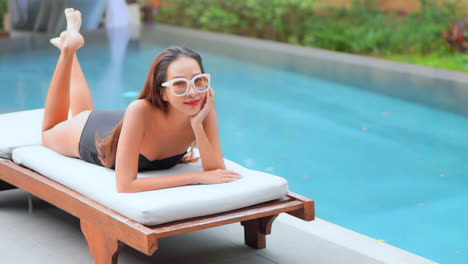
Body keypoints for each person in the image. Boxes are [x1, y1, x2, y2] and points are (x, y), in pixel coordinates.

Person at [42, 8, 242, 193]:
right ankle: (68, 50)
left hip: (125, 126)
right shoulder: (139, 109)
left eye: (199, 80)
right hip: (89, 134)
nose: (192, 92)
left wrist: (197, 126)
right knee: (50, 131)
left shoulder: (202, 105)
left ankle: (71, 47)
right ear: (162, 92)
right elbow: (126, 184)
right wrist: (195, 177)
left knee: (81, 112)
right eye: (179, 84)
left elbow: (216, 170)